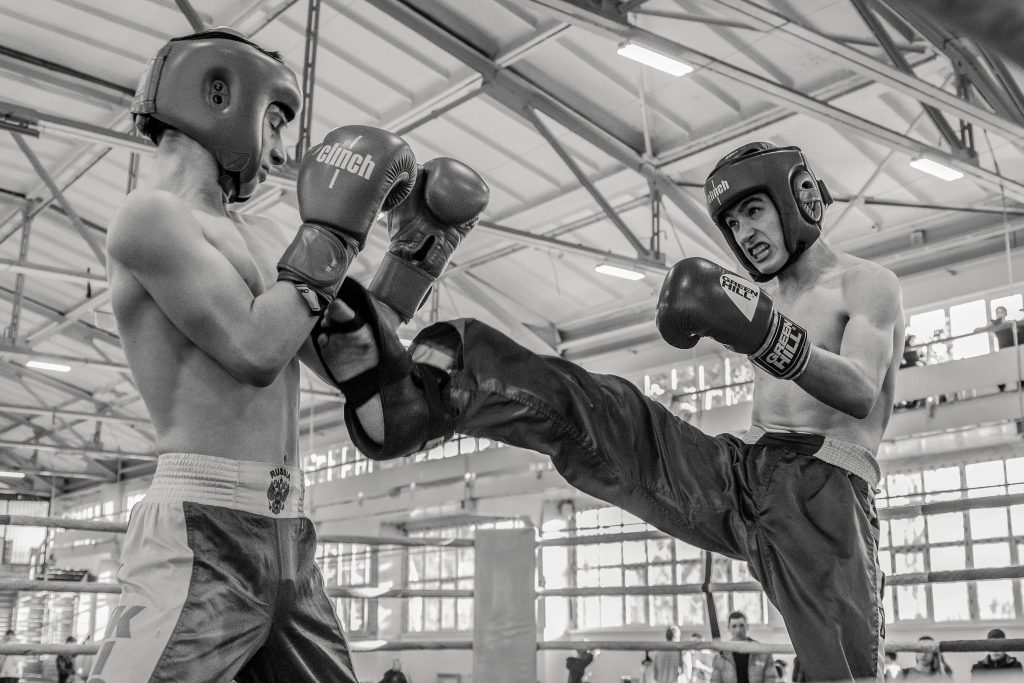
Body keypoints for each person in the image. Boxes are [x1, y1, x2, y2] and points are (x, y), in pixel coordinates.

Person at [322, 142, 903, 681]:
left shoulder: (865, 283)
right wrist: (759, 326)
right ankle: (441, 388)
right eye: (732, 223)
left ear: (796, 197)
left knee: (843, 676)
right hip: (745, 470)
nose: (742, 233)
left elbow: (858, 389)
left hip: (826, 494)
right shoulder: (765, 300)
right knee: (613, 415)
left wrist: (766, 336)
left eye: (753, 211)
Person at [87, 26, 463, 683]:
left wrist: (413, 255)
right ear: (220, 94)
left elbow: (349, 357)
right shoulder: (149, 218)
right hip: (201, 535)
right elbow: (254, 348)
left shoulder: (264, 232)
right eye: (279, 120)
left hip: (290, 531)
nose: (285, 153)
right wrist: (335, 232)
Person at [709, 612, 777, 683]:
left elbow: (771, 678)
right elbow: (715, 680)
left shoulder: (762, 651)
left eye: (741, 626)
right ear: (728, 628)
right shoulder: (721, 654)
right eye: (734, 626)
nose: (738, 630)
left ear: (747, 626)